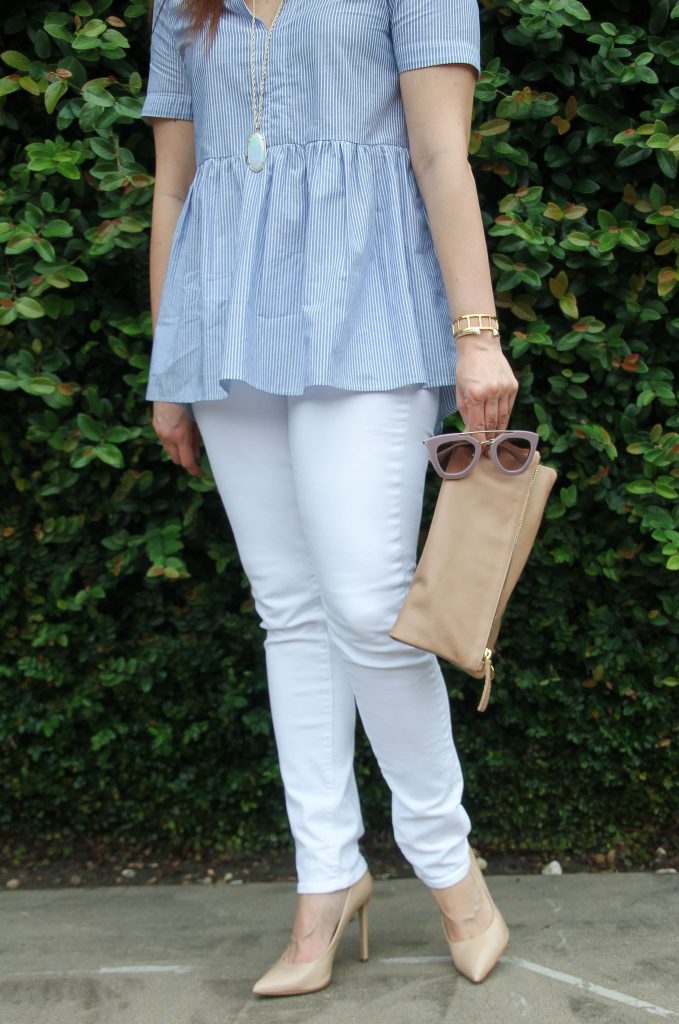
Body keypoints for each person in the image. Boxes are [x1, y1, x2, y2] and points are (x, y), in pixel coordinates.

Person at [141, 0, 518, 998]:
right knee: (289, 611)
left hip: (368, 304)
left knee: (364, 604)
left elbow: (442, 157)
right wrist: (166, 366)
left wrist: (475, 332)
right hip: (225, 320)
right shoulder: (182, 3)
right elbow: (173, 189)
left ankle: (447, 862)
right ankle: (326, 877)